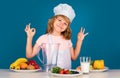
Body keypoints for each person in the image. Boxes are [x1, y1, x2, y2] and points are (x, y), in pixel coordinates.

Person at [25, 3, 88, 69]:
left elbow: (74, 57)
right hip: (50, 74)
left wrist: (79, 40)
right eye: (59, 20)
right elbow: (29, 55)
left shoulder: (67, 39)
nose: (61, 24)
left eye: (65, 23)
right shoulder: (44, 38)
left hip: (66, 74)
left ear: (67, 27)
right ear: (53, 20)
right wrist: (29, 37)